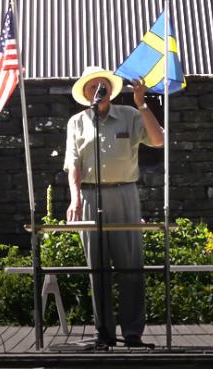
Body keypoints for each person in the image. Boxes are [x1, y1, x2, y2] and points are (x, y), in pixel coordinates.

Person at [63, 66, 164, 347]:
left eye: (102, 84)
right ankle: (104, 332)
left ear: (111, 88)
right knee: (97, 268)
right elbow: (73, 165)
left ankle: (132, 333)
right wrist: (75, 197)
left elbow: (158, 140)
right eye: (92, 85)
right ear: (84, 93)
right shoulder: (77, 122)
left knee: (131, 265)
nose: (98, 88)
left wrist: (142, 104)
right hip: (90, 195)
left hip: (124, 193)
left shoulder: (130, 115)